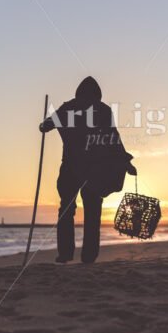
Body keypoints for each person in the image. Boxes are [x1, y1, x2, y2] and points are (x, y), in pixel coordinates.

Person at [39, 76, 136, 264]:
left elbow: (47, 125)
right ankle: (89, 256)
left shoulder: (69, 107)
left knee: (66, 210)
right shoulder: (103, 110)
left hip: (70, 167)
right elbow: (114, 139)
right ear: (97, 94)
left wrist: (43, 125)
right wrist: (126, 162)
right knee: (92, 212)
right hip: (95, 170)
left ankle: (65, 254)